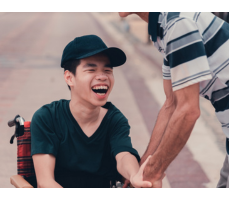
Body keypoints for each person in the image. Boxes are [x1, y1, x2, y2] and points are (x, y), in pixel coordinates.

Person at [118, 12, 229, 188]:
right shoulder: (164, 27)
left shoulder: (178, 24)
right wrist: (143, 168)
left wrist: (153, 171)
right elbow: (171, 104)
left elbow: (188, 110)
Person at [30, 35, 151, 188]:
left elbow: (123, 156)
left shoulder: (115, 119)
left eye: (107, 70)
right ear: (69, 78)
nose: (102, 76)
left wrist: (134, 175)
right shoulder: (47, 118)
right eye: (91, 69)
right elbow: (45, 182)